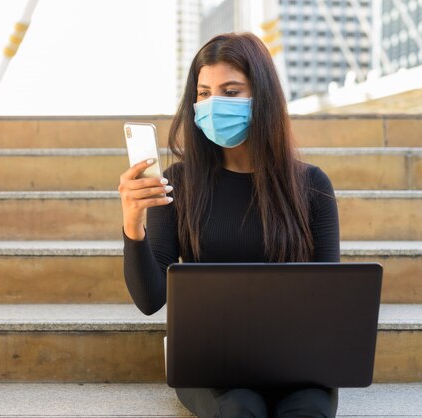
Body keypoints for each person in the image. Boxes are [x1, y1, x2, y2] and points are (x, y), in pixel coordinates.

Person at [118, 32, 340, 418]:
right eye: (204, 93)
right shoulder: (179, 183)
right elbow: (150, 301)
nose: (213, 104)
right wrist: (132, 223)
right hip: (209, 358)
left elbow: (331, 299)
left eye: (231, 92)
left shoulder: (312, 185)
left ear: (263, 98)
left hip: (296, 360)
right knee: (241, 409)